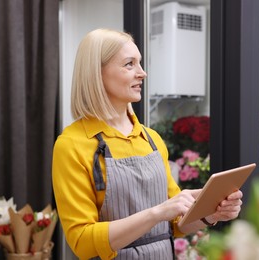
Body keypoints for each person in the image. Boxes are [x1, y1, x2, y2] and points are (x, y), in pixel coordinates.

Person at [52, 28, 243, 260]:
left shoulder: (151, 139)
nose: (142, 73)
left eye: (140, 63)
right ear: (97, 73)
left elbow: (175, 224)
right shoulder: (72, 145)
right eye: (129, 64)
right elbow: (82, 242)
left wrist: (211, 213)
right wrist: (156, 213)